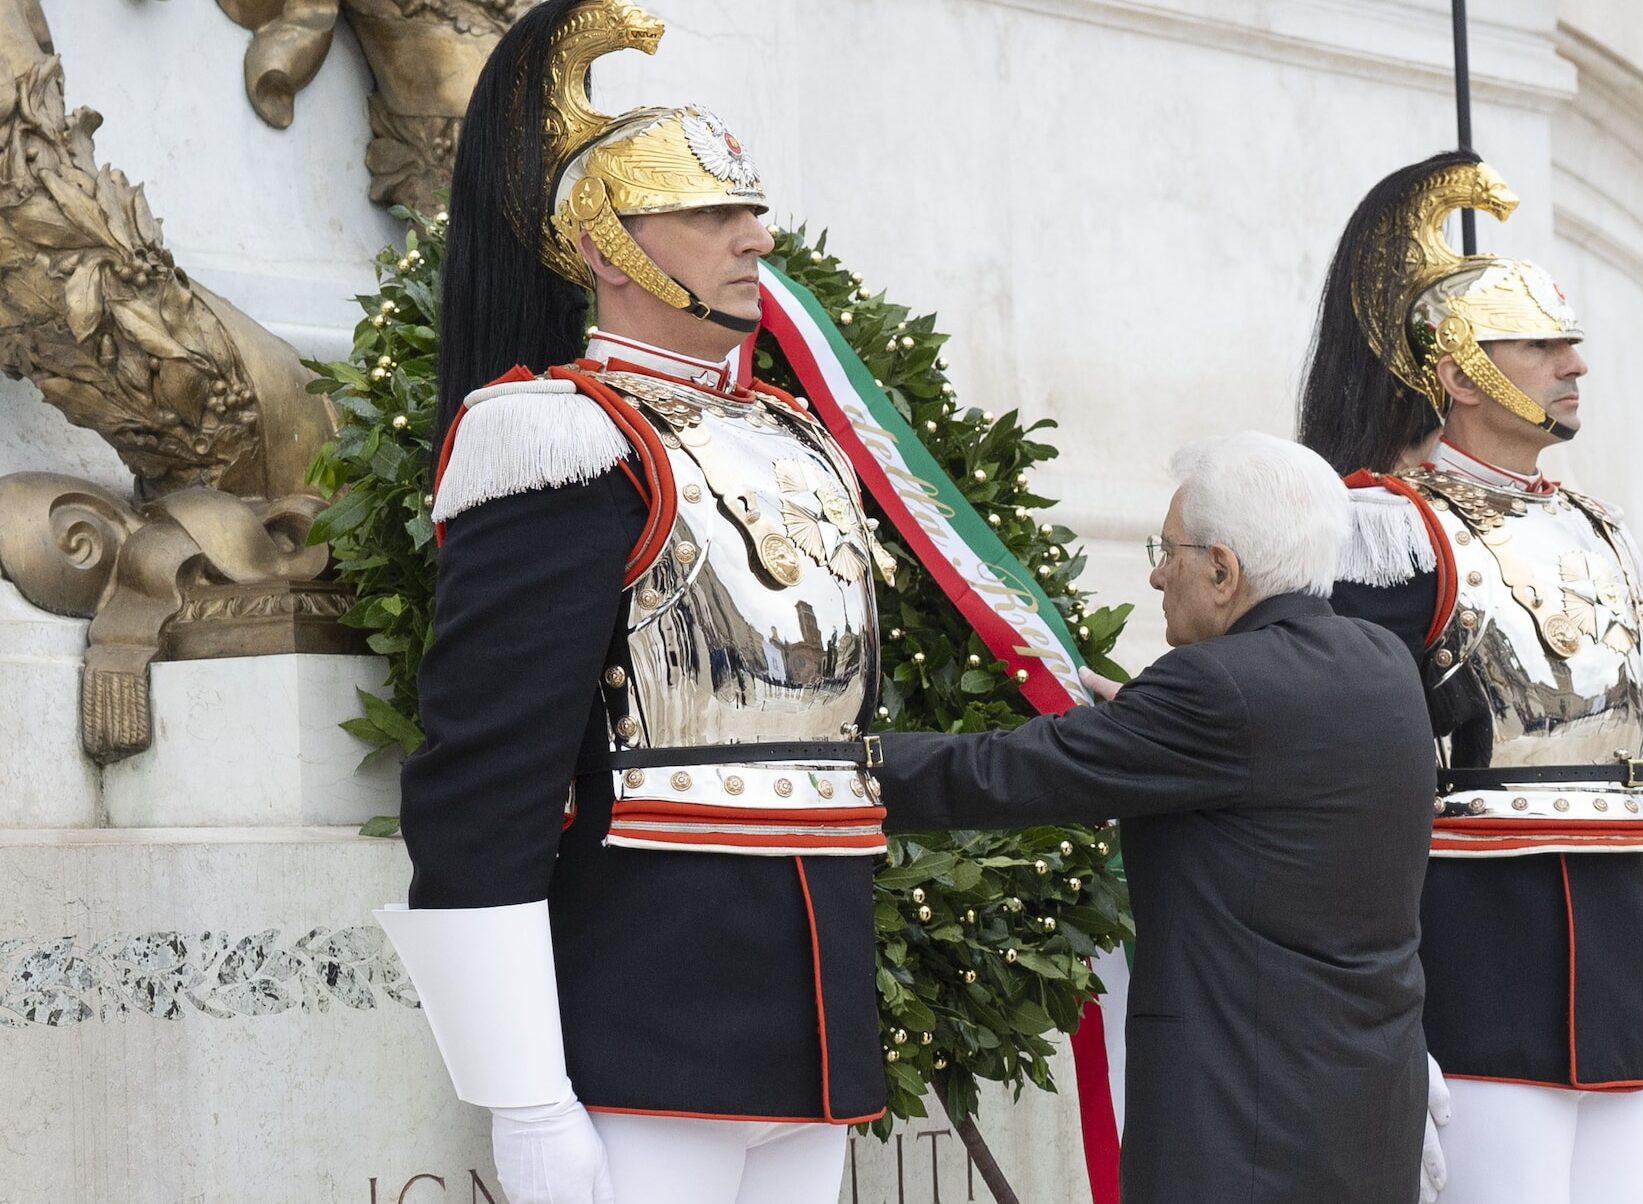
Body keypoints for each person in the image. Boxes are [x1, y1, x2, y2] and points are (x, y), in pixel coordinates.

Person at [372, 3, 894, 1202]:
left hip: (812, 1027)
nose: (754, 234)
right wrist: (525, 1094)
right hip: (649, 1023)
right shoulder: (555, 437)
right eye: (712, 211)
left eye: (750, 206)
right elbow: (483, 779)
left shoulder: (792, 435)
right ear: (607, 245)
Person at [874, 432, 1437, 1204]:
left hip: (1241, 1130)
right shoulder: (1382, 663)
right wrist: (1148, 726)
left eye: (1169, 549)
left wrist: (840, 763)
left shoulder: (1215, 691)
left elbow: (1004, 772)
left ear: (1223, 569)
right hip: (1369, 1114)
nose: (1155, 572)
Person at [1298, 150, 1643, 1204]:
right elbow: (1333, 752)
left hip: (1613, 952)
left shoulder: (1598, 527)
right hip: (1477, 957)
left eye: (1571, 342)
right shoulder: (1388, 529)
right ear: (1458, 373)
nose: (1573, 364)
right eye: (1540, 343)